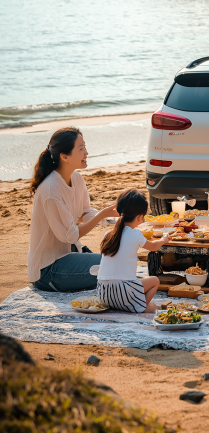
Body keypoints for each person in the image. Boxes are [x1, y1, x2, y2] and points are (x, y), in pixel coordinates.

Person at [28, 127, 118, 291]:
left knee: (117, 264)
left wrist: (112, 217)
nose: (86, 153)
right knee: (114, 268)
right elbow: (69, 235)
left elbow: (84, 212)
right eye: (81, 149)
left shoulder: (76, 178)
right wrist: (100, 216)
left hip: (69, 254)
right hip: (47, 270)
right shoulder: (51, 190)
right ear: (64, 156)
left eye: (85, 147)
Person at [97, 189, 170, 313]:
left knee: (133, 282)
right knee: (155, 281)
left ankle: (134, 304)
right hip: (123, 292)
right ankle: (141, 307)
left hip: (103, 294)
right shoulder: (135, 234)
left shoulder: (107, 234)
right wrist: (163, 240)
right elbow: (153, 247)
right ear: (140, 217)